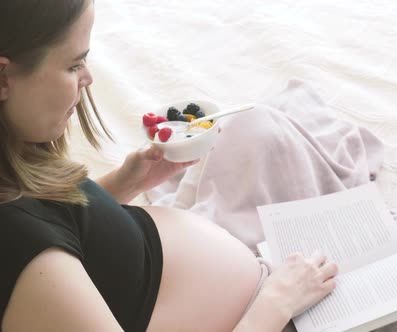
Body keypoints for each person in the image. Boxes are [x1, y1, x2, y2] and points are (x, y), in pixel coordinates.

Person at [0, 1, 338, 331]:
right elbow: (34, 239)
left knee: (258, 125)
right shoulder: (21, 250)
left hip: (269, 292)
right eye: (74, 65)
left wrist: (123, 184)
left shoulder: (13, 163)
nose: (88, 77)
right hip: (271, 313)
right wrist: (278, 301)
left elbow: (58, 228)